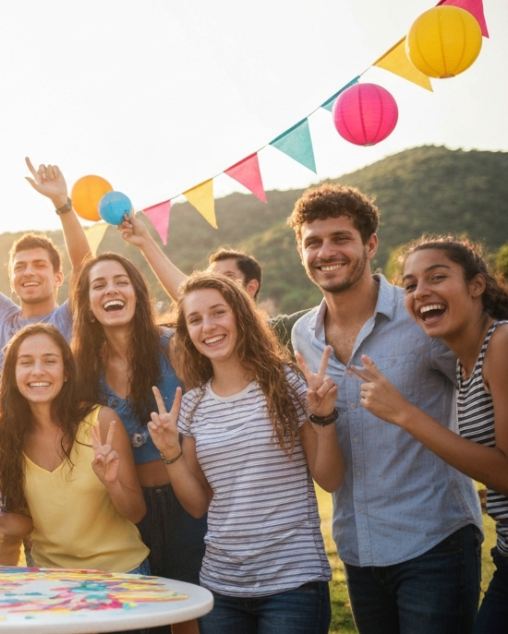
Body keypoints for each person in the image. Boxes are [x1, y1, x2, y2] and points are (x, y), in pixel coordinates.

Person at [287, 185, 483, 634]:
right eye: (313, 242)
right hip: (358, 548)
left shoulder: (422, 314)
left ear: (370, 244)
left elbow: (486, 381)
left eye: (340, 238)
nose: (326, 251)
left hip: (435, 540)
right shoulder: (304, 335)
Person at [351, 236, 508, 632]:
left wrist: (404, 414)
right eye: (411, 284)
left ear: (476, 285)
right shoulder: (467, 368)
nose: (421, 292)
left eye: (437, 277)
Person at [149, 273, 344, 634]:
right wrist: (170, 452)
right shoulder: (191, 406)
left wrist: (323, 417)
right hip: (222, 587)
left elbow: (329, 478)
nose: (208, 327)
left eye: (218, 312)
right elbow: (197, 504)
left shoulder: (286, 383)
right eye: (195, 319)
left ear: (240, 315)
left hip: (293, 583)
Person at [0, 134, 90, 565]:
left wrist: (63, 205)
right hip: (4, 463)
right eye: (20, 267)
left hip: (57, 455)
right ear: (10, 280)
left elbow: (86, 265)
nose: (29, 272)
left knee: (57, 568)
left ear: (57, 276)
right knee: (0, 576)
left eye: (40, 265)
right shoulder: (0, 317)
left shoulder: (66, 319)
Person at [70, 252, 205, 632]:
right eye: (99, 285)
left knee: (189, 614)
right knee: (147, 618)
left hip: (187, 502)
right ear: (88, 305)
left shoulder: (174, 347)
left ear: (137, 293)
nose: (111, 290)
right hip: (126, 513)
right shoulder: (83, 369)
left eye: (120, 281)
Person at [0, 323, 148, 573]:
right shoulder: (8, 438)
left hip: (120, 574)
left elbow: (136, 513)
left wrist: (112, 483)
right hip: (51, 578)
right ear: (13, 375)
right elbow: (28, 521)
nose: (38, 371)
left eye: (49, 361)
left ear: (66, 371)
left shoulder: (102, 422)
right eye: (26, 362)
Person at [118, 217, 311, 350]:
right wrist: (144, 241)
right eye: (211, 279)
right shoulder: (204, 337)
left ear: (250, 287)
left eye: (226, 277)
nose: (216, 286)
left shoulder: (280, 330)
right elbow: (188, 294)